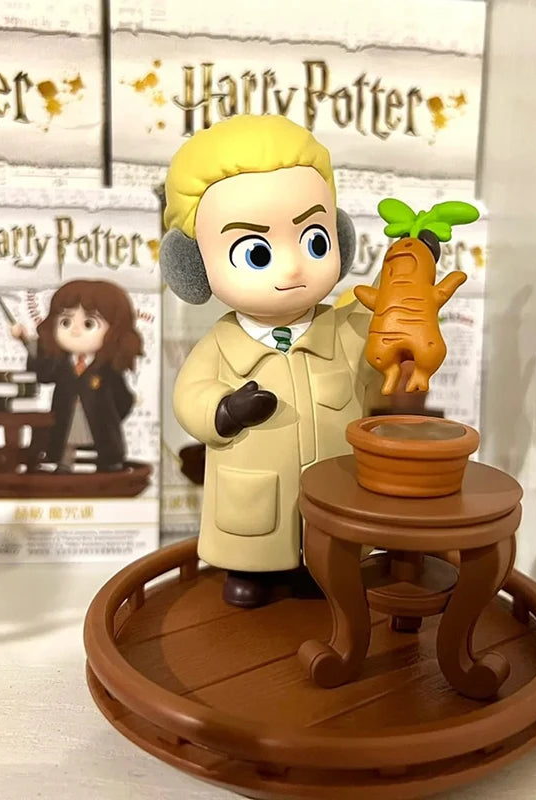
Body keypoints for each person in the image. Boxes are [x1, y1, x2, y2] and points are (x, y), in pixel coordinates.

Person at [161, 114, 382, 608]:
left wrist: (411, 273)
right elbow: (189, 396)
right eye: (256, 253)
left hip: (335, 489)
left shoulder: (344, 329)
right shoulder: (221, 345)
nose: (293, 267)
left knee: (332, 538)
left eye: (315, 240)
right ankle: (251, 570)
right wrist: (225, 411)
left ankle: (318, 568)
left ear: (341, 238)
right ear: (194, 267)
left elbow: (385, 336)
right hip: (254, 497)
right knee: (254, 540)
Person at [11, 279, 143, 473]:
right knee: (64, 444)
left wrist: (112, 416)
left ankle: (106, 466)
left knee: (100, 446)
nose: (75, 330)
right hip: (65, 415)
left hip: (99, 422)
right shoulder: (61, 363)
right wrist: (24, 340)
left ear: (115, 330)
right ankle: (64, 466)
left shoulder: (107, 369)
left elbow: (122, 398)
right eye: (65, 322)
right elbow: (43, 374)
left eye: (89, 323)